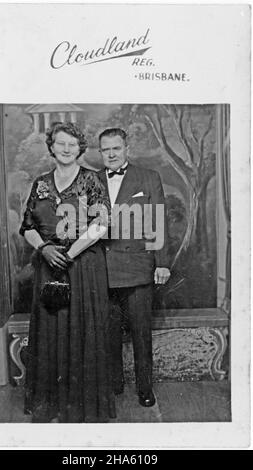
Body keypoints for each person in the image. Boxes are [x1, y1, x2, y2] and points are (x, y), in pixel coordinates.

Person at [19, 121, 115, 423]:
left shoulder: (91, 180)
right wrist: (44, 249)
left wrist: (68, 255)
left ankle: (82, 407)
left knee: (83, 330)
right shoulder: (41, 183)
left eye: (72, 144)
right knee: (51, 330)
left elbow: (101, 225)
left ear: (80, 148)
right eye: (60, 143)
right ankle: (51, 406)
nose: (66, 149)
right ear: (51, 147)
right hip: (48, 264)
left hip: (83, 265)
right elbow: (27, 226)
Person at [98, 127, 171, 407]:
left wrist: (162, 263)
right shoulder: (91, 180)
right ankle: (114, 385)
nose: (112, 154)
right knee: (109, 332)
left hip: (139, 268)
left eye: (116, 148)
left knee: (141, 333)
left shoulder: (148, 177)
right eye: (106, 149)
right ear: (100, 152)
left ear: (127, 148)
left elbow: (159, 222)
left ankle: (145, 388)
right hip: (103, 270)